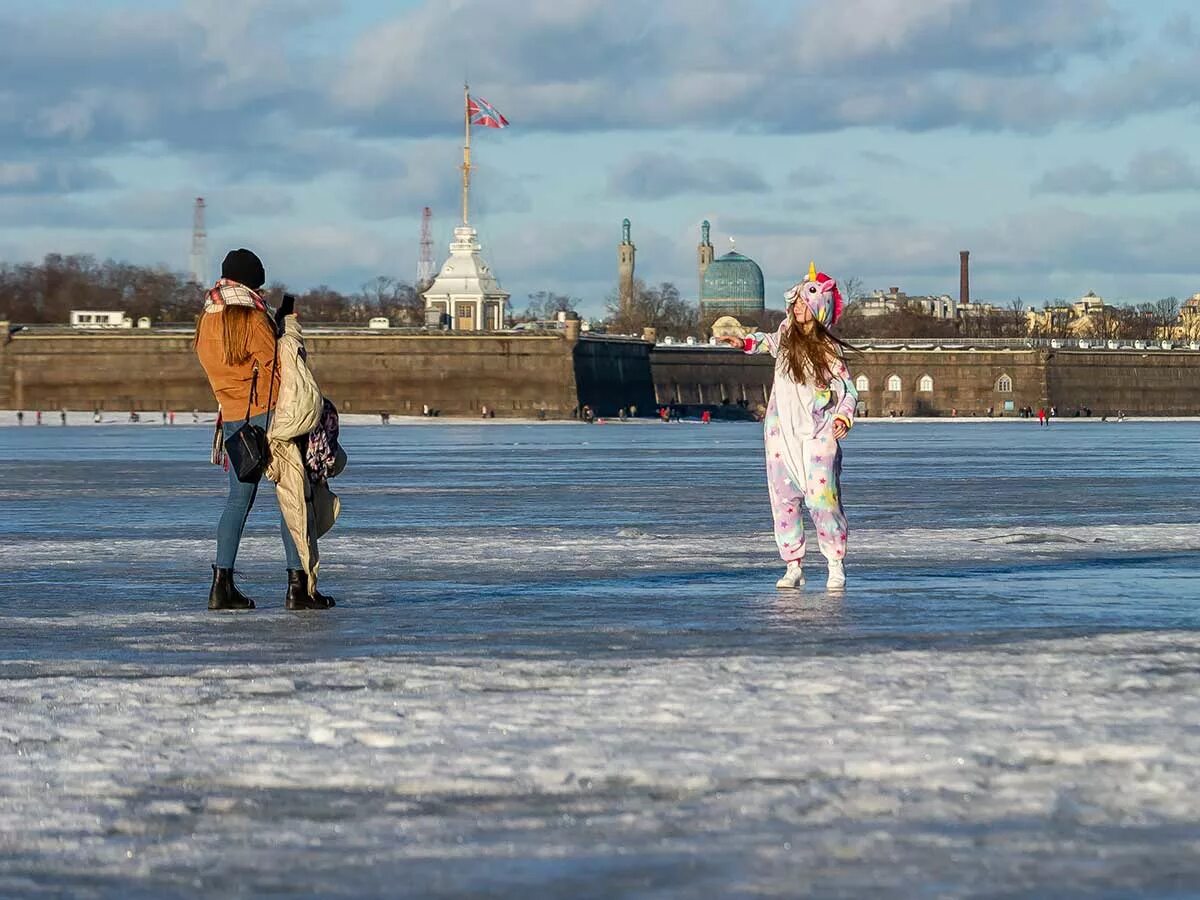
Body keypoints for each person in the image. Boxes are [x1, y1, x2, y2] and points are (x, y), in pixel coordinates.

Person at [194, 248, 334, 612]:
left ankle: (221, 587)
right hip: (267, 419)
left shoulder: (206, 319)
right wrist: (286, 328)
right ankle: (298, 588)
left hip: (233, 421)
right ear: (250, 281)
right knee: (292, 497)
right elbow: (280, 368)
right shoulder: (251, 319)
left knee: (237, 502)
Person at [717, 263, 856, 590]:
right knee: (784, 501)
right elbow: (763, 342)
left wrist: (842, 416)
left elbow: (848, 389)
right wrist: (741, 341)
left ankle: (835, 562)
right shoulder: (784, 337)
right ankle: (793, 565)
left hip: (817, 435)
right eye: (794, 304)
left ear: (818, 309)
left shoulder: (828, 349)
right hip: (782, 436)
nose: (797, 309)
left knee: (823, 500)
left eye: (803, 304)